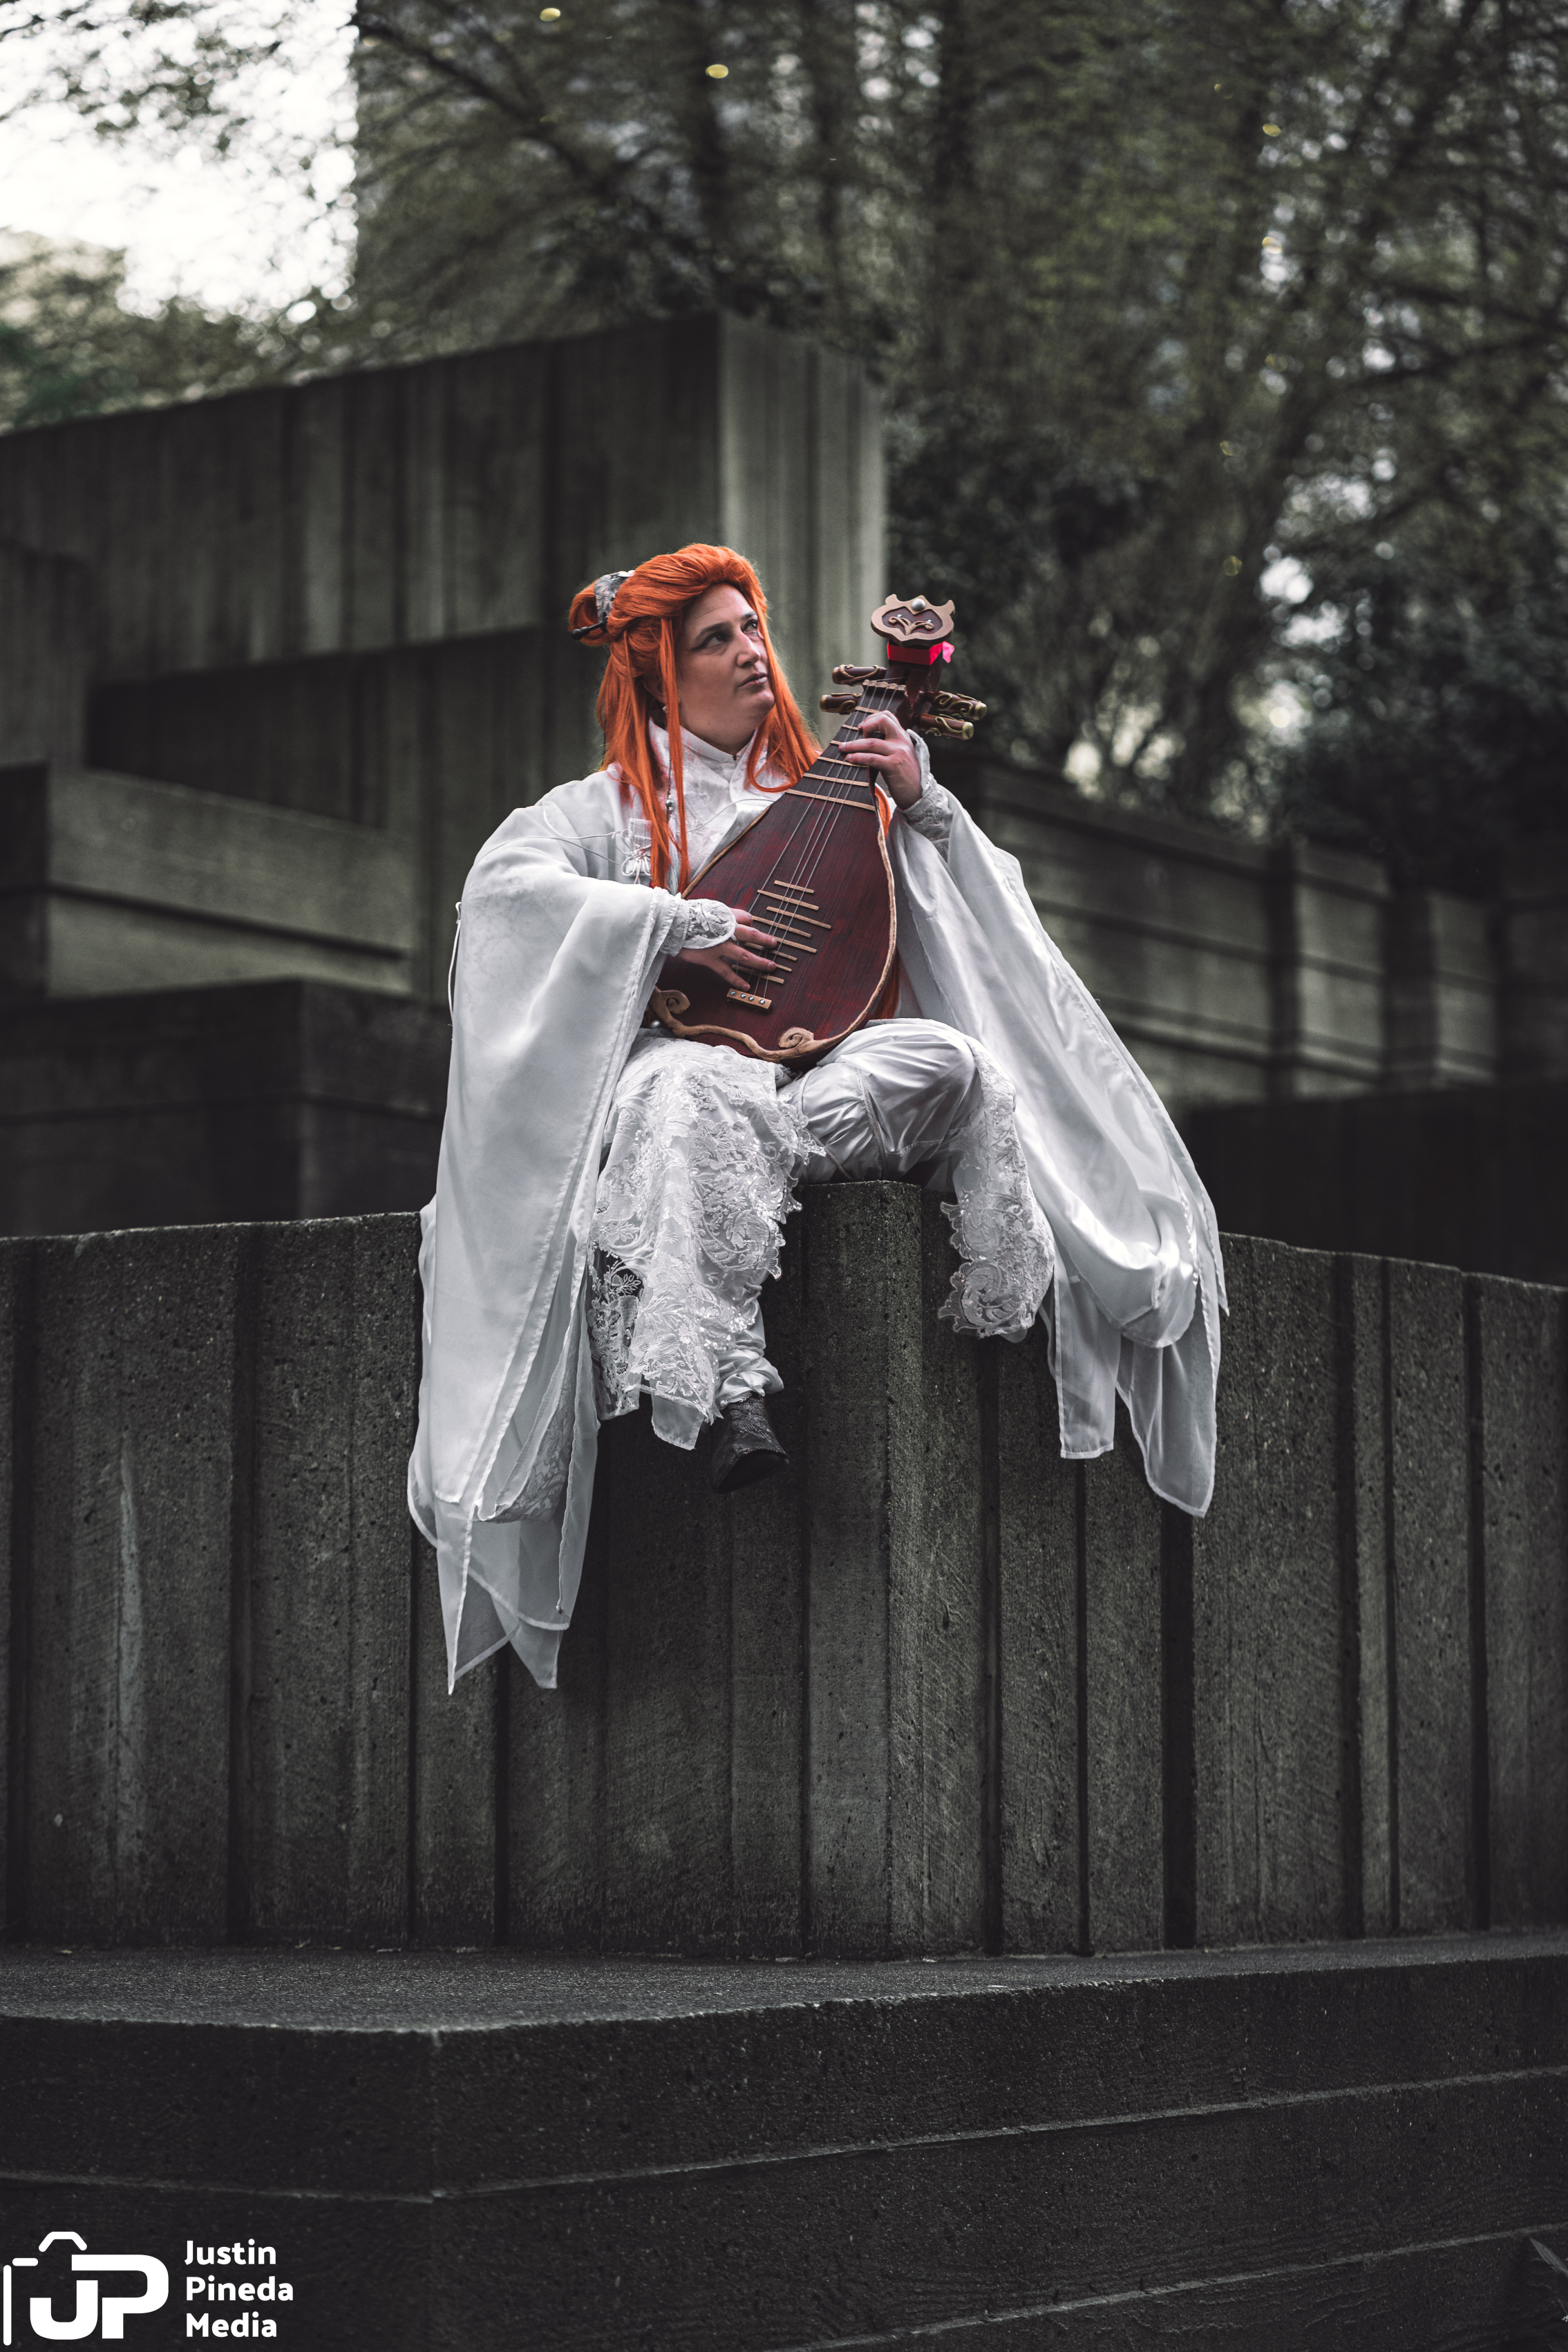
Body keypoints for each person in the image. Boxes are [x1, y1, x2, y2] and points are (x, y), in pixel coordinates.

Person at [408, 545, 1225, 1692]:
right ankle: (729, 1379)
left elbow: (973, 932)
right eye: (716, 638)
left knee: (949, 1065)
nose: (752, 651)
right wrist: (667, 922)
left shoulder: (824, 799)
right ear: (656, 674)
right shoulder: (596, 813)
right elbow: (502, 902)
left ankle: (743, 1169)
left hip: (803, 1091)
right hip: (661, 1079)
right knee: (695, 1086)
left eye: (754, 628)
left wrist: (922, 799)